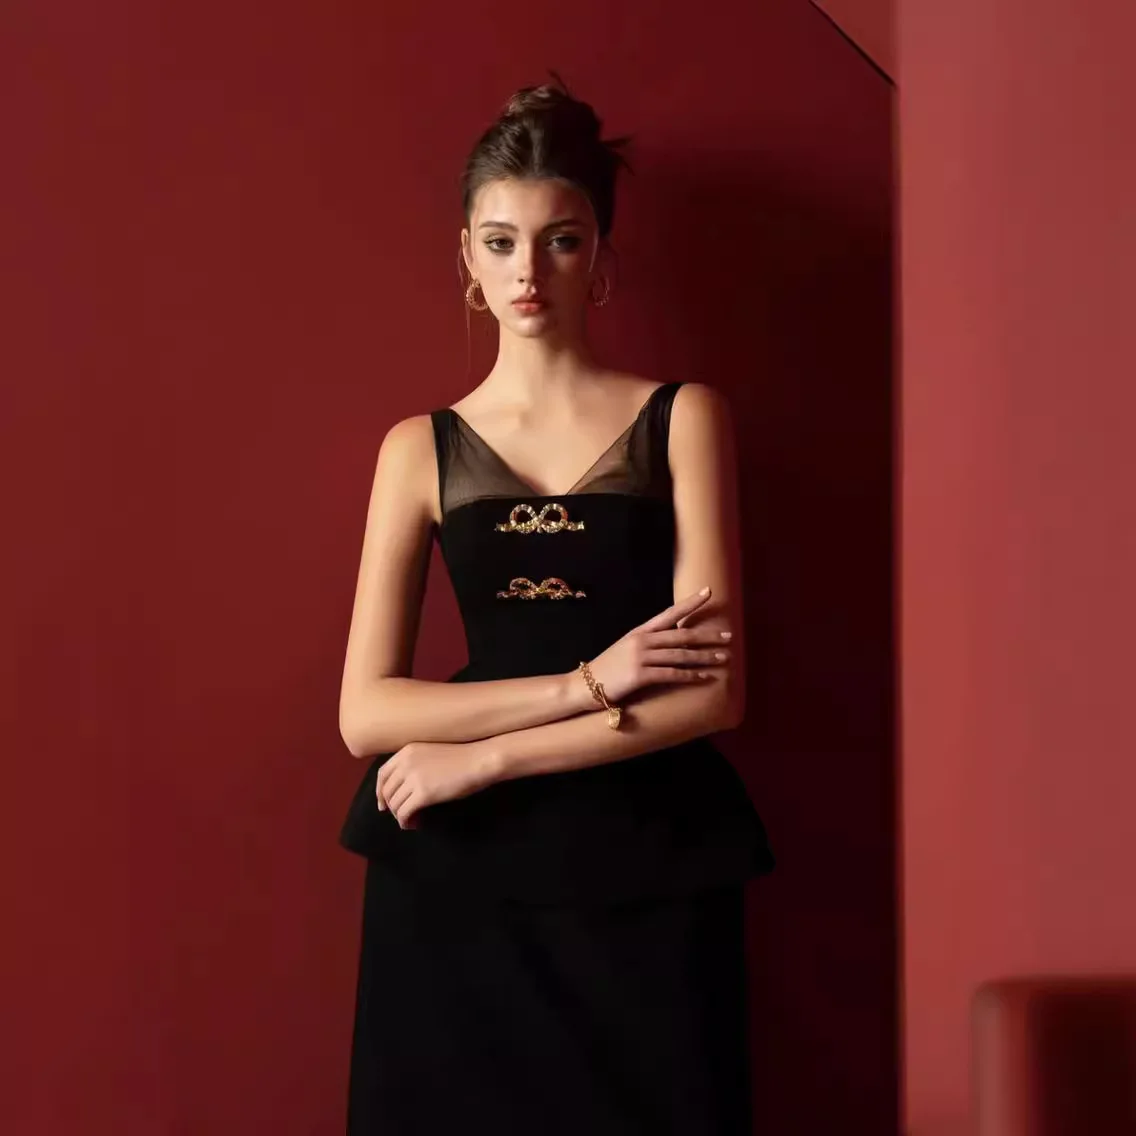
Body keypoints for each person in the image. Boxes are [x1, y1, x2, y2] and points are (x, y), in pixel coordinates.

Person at [336, 77, 774, 1136]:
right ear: (468, 258)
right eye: (501, 243)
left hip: (646, 858)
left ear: (600, 256)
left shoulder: (682, 419)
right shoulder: (416, 449)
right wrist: (588, 682)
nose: (528, 271)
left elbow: (711, 698)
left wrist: (484, 758)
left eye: (560, 240)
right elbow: (365, 713)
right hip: (454, 882)